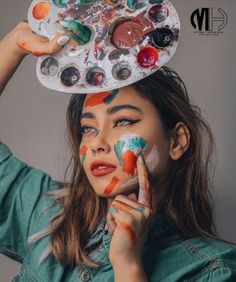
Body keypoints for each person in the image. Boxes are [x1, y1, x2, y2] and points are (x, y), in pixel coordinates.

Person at [0, 22, 236, 282]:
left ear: (177, 141)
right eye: (88, 128)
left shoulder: (213, 269)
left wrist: (128, 264)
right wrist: (12, 46)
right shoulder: (49, 216)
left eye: (123, 121)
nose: (97, 142)